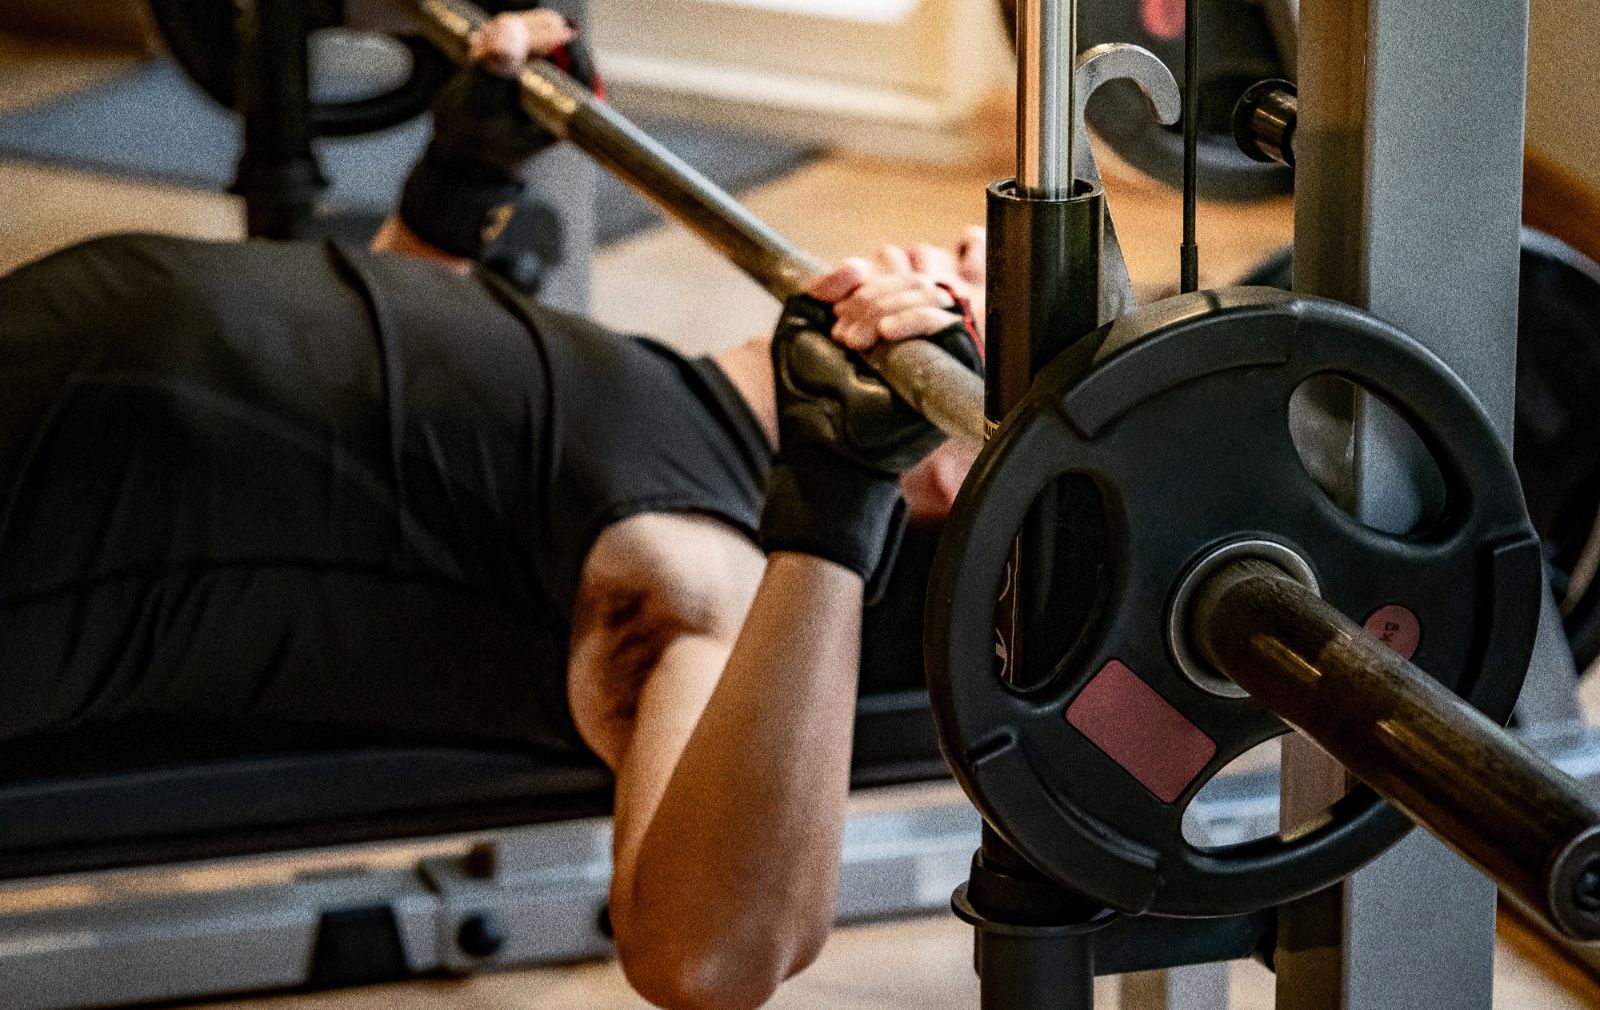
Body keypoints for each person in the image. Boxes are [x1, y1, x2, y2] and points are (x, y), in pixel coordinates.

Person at [0, 11, 984, 1010]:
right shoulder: (673, 396)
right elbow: (380, 429)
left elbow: (709, 958)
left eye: (996, 289)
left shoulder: (703, 560)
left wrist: (836, 502)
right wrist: (460, 186)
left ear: (963, 469)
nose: (973, 240)